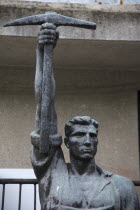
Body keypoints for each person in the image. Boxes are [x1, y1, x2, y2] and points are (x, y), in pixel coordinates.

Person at [30, 23, 140, 210]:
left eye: (92, 136)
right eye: (80, 135)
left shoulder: (121, 187)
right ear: (66, 142)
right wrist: (43, 51)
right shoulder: (53, 174)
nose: (88, 141)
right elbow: (44, 108)